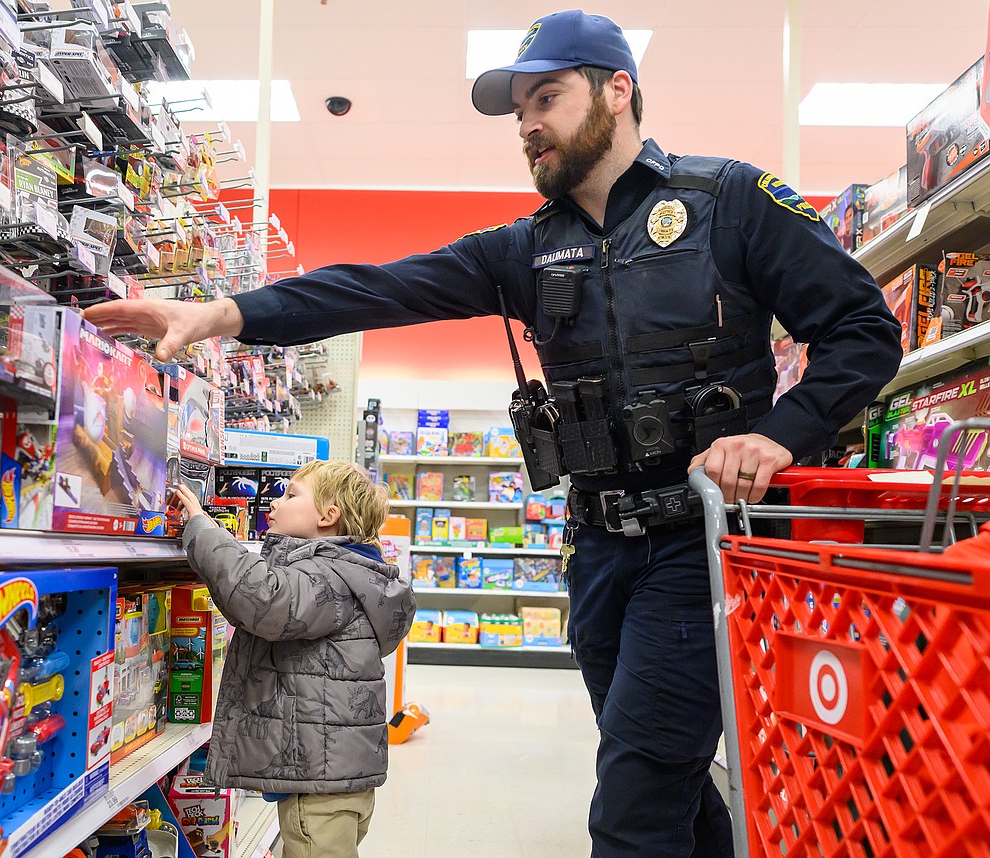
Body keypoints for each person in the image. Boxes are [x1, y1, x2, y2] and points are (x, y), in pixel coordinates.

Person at [88, 11, 902, 855]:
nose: (528, 125)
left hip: (697, 549)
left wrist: (780, 434)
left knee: (633, 802)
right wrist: (222, 312)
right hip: (597, 552)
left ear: (617, 91)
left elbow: (865, 331)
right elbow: (375, 288)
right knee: (669, 776)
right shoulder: (523, 251)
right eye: (518, 109)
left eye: (547, 97)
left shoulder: (726, 202)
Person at [170, 460, 415, 858]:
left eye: (291, 494)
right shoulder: (354, 575)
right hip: (338, 776)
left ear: (327, 516)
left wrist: (202, 528)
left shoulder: (327, 578)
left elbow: (263, 597)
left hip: (319, 787)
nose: (275, 502)